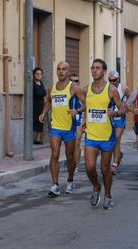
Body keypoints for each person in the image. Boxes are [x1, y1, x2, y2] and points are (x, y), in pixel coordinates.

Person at [82, 58, 126, 210]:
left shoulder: (111, 90)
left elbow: (123, 109)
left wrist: (114, 113)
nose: (94, 70)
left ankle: (108, 196)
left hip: (107, 135)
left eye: (98, 68)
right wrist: (83, 121)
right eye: (93, 67)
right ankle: (96, 186)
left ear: (104, 71)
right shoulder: (86, 89)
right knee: (89, 167)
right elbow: (86, 107)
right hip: (91, 135)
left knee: (105, 169)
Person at [39, 61, 86, 196]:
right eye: (59, 69)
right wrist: (43, 112)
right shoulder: (51, 88)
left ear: (68, 71)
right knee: (54, 154)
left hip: (69, 127)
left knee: (70, 156)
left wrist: (77, 110)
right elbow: (49, 100)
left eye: (64, 69)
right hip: (56, 127)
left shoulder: (74, 88)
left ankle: (70, 180)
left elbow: (87, 103)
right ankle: (55, 185)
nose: (61, 71)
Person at [108, 70, 130, 175]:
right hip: (109, 118)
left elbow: (131, 99)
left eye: (114, 80)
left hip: (119, 117)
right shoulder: (106, 88)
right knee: (111, 142)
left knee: (116, 139)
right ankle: (118, 155)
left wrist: (127, 107)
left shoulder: (124, 88)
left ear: (118, 79)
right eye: (110, 80)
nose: (112, 82)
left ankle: (114, 165)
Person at [69, 73, 84, 175]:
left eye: (76, 81)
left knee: (76, 142)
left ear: (79, 82)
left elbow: (88, 106)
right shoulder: (66, 93)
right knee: (70, 145)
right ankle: (72, 163)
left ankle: (77, 165)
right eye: (71, 81)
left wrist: (84, 122)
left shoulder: (82, 94)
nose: (74, 83)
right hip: (68, 122)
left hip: (79, 121)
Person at [33, 67, 47, 144]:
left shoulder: (41, 83)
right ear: (34, 74)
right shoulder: (32, 84)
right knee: (34, 121)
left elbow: (44, 95)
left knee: (40, 121)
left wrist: (46, 103)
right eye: (37, 74)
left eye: (40, 74)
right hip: (34, 104)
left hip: (41, 105)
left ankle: (37, 139)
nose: (38, 75)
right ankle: (32, 138)